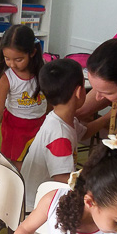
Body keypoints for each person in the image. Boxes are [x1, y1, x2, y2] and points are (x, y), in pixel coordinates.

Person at [20, 58, 109, 211]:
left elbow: (85, 132)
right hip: (35, 205)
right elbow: (62, 178)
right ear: (80, 92)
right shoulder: (60, 135)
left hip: (36, 197)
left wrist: (108, 117)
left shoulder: (61, 119)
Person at [0, 24, 46, 163]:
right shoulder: (7, 78)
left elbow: (50, 100)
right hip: (15, 128)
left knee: (38, 161)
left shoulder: (43, 72)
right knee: (15, 164)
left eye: (18, 59)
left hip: (40, 124)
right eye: (7, 58)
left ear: (32, 53)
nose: (12, 64)